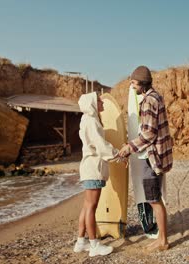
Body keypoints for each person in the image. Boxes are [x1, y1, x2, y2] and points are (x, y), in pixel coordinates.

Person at [119, 65, 173, 252]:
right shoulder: (156, 96)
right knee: (155, 198)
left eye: (134, 83)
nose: (132, 86)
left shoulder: (148, 101)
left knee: (153, 199)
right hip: (157, 155)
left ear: (142, 83)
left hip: (152, 158)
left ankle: (163, 240)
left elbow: (149, 133)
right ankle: (162, 238)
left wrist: (129, 147)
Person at [73, 92, 121, 257]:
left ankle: (80, 242)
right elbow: (101, 146)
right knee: (91, 208)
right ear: (92, 103)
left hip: (88, 168)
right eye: (99, 101)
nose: (103, 103)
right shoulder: (92, 122)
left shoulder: (85, 120)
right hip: (93, 169)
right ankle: (94, 245)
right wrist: (118, 155)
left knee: (87, 206)